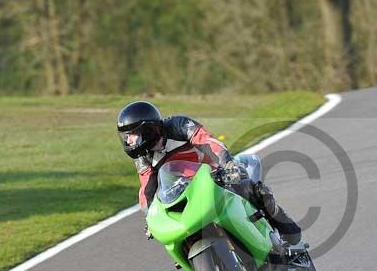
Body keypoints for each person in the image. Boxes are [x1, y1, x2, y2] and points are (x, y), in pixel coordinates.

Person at [116, 100, 301, 244]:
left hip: (217, 174)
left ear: (148, 129)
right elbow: (146, 189)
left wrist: (227, 164)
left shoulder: (179, 125)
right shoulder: (143, 158)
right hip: (186, 190)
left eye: (132, 134)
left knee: (246, 184)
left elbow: (209, 142)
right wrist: (150, 217)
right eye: (126, 136)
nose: (129, 141)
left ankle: (284, 227)